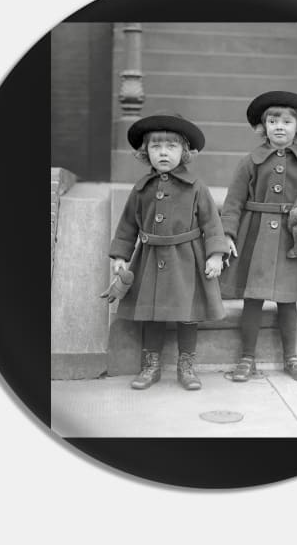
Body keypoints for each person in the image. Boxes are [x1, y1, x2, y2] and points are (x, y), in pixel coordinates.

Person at [101, 113, 228, 390]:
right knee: (151, 312)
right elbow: (126, 226)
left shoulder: (196, 187)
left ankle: (187, 365)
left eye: (171, 147)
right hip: (149, 259)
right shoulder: (141, 189)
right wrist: (121, 257)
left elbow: (212, 223)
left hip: (187, 259)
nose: (163, 153)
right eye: (156, 147)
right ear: (145, 152)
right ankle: (151, 365)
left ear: (185, 152)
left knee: (188, 313)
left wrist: (215, 254)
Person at [219, 91, 297, 382]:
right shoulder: (250, 161)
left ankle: (291, 357)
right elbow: (233, 202)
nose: (279, 126)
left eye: (286, 121)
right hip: (254, 237)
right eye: (272, 121)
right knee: (253, 299)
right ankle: (247, 357)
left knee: (288, 300)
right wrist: (227, 235)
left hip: (290, 240)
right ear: (263, 126)